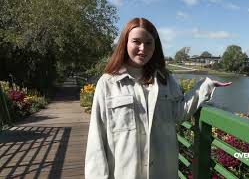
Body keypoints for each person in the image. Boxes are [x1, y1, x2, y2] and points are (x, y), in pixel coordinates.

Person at [85, 17, 232, 179]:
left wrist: (206, 86)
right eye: (136, 41)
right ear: (125, 43)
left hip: (163, 171)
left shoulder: (164, 79)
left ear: (155, 46)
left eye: (149, 43)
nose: (143, 48)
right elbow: (96, 139)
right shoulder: (108, 83)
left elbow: (178, 113)